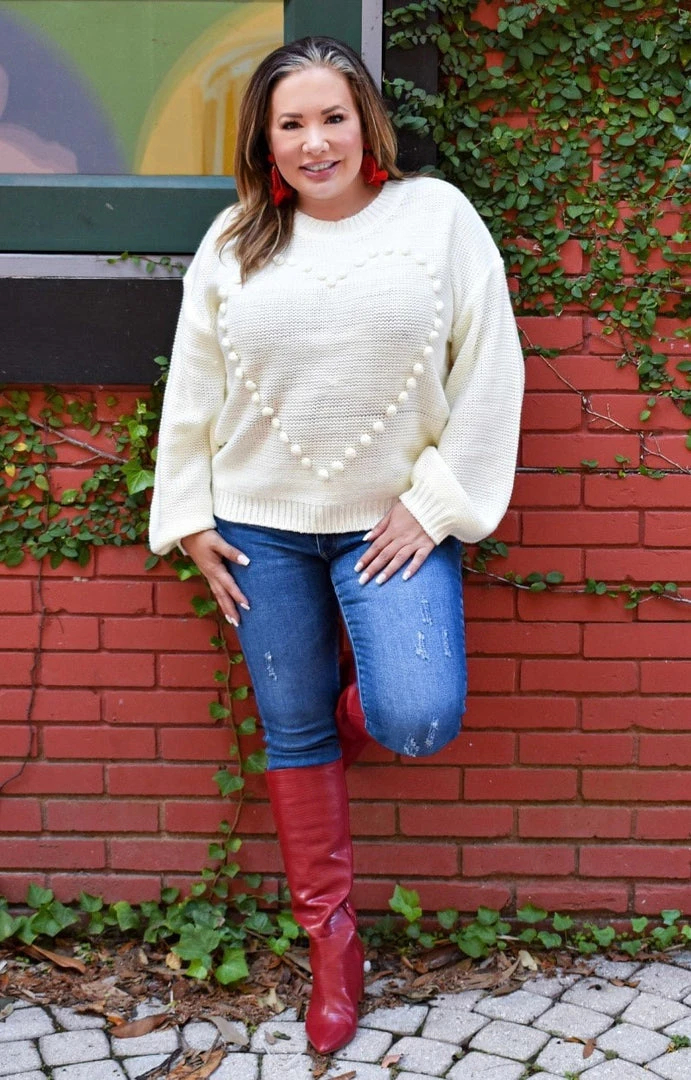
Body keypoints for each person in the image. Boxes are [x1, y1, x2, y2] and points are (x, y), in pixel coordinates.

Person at [149, 36, 524, 1054]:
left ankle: (344, 709)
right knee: (294, 734)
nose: (315, 142)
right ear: (265, 141)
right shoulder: (236, 238)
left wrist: (435, 504)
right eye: (291, 124)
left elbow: (491, 369)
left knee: (415, 714)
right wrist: (188, 517)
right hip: (256, 531)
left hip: (390, 528)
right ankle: (332, 948)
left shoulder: (436, 218)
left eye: (332, 118)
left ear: (366, 125)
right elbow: (194, 384)